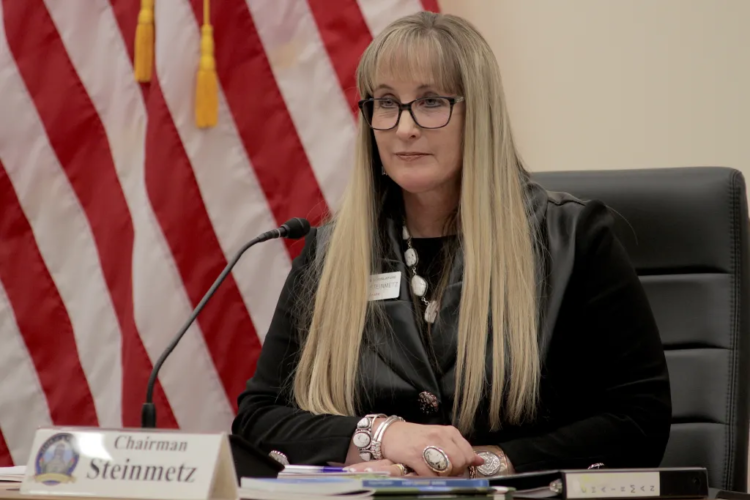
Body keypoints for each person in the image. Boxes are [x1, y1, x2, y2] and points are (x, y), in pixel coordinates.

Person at [232, 11, 671, 478]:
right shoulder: (329, 252)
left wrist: (491, 464)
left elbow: (637, 420)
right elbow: (259, 418)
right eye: (386, 103)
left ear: (477, 112)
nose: (404, 128)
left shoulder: (573, 240)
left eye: (430, 101)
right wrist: (380, 435)